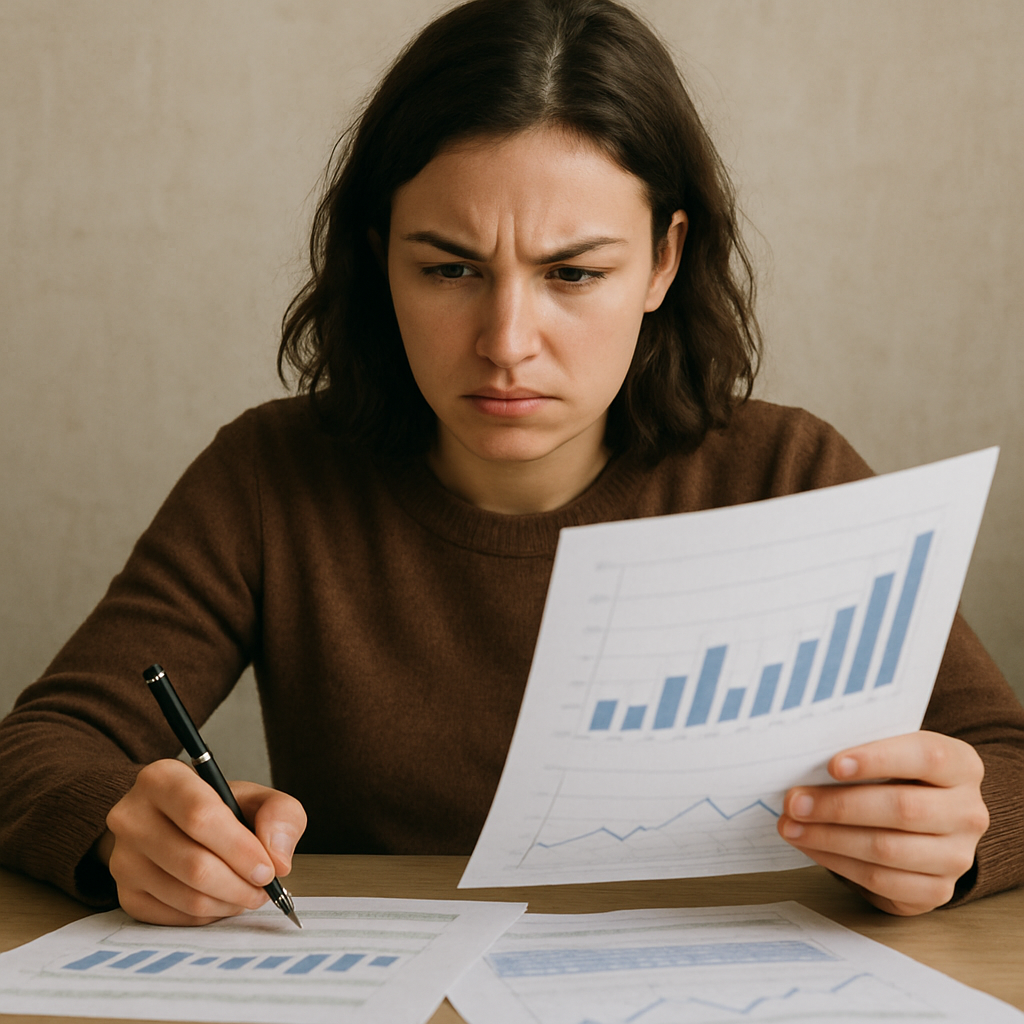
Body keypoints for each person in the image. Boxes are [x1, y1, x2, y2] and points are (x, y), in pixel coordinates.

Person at [1, 0, 1022, 927]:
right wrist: (118, 824)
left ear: (665, 259)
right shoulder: (272, 476)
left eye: (572, 273)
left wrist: (955, 840)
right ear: (378, 252)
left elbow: (1008, 762)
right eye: (448, 268)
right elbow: (39, 744)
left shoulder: (787, 472)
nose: (505, 341)